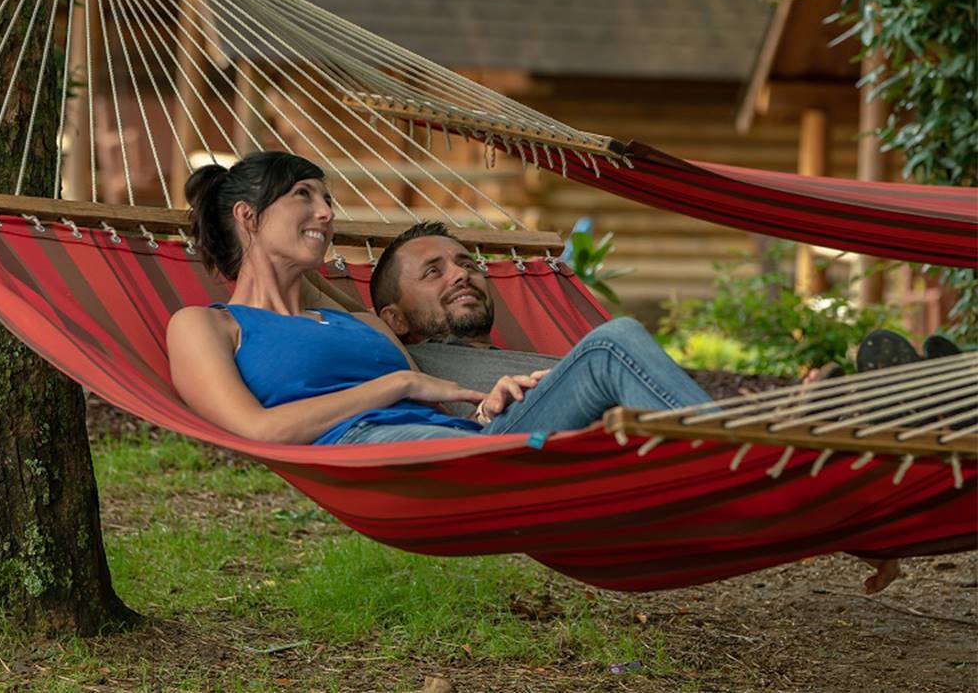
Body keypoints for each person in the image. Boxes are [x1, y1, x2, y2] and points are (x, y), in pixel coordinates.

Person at [166, 151, 897, 593]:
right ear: (247, 217)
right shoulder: (207, 324)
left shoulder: (351, 322)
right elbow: (257, 429)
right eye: (307, 198)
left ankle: (821, 482)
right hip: (377, 468)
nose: (327, 212)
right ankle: (783, 463)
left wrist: (487, 405)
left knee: (613, 355)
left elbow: (438, 405)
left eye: (328, 199)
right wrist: (402, 383)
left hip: (463, 445)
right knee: (610, 352)